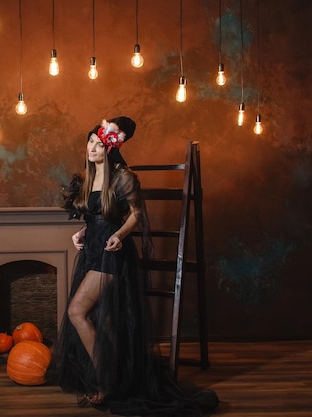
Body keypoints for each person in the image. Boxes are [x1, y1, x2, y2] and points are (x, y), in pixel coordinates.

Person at [50, 116, 219, 416]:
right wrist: (80, 233)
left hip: (113, 256)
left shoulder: (122, 176)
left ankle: (106, 381)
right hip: (91, 254)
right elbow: (94, 217)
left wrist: (119, 234)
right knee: (106, 321)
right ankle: (121, 374)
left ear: (111, 148)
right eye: (90, 141)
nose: (92, 147)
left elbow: (136, 215)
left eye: (99, 144)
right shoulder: (88, 178)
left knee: (77, 311)